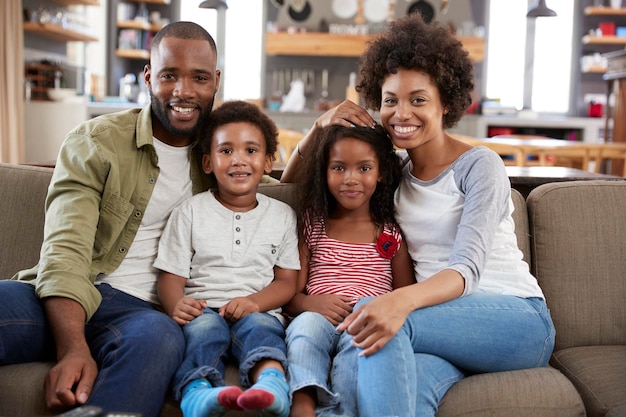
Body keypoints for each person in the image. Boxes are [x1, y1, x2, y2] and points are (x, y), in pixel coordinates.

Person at [282, 14, 556, 417]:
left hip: (515, 320)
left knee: (376, 317)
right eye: (390, 100)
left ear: (447, 103)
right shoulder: (394, 174)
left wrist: (394, 303)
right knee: (395, 388)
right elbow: (291, 185)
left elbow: (467, 271)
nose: (401, 113)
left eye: (418, 100)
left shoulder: (480, 166)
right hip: (441, 328)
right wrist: (320, 127)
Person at [0, 22, 222, 417]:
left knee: (161, 337)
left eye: (199, 78)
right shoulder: (96, 141)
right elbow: (65, 250)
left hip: (141, 317)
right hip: (65, 292)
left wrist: (316, 134)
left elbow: (272, 195)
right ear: (150, 77)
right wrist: (73, 348)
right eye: (169, 75)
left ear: (215, 82)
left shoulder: (222, 153)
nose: (183, 91)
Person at [154, 100, 300, 417]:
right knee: (203, 332)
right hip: (203, 307)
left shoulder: (282, 216)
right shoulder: (190, 211)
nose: (239, 160)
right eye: (226, 151)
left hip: (258, 308)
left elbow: (287, 282)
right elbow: (170, 277)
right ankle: (197, 392)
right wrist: (176, 304)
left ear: (267, 161)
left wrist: (254, 303)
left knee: (263, 329)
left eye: (251, 151)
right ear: (208, 162)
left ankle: (272, 385)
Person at [283, 124, 415, 417]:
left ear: (380, 173)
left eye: (364, 168)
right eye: (339, 168)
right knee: (305, 331)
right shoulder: (313, 225)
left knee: (359, 351)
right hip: (314, 315)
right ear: (325, 173)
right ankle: (302, 401)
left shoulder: (390, 234)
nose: (351, 179)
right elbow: (289, 294)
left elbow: (405, 299)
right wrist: (309, 303)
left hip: (362, 324)